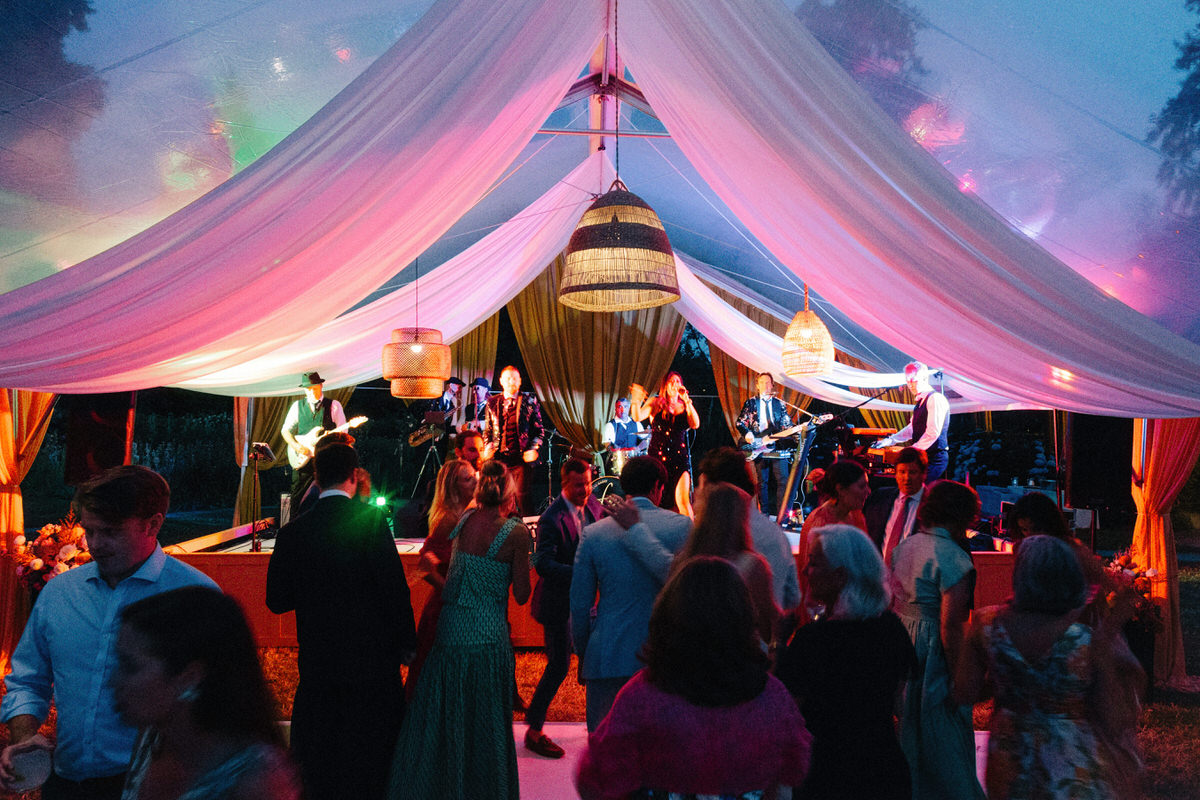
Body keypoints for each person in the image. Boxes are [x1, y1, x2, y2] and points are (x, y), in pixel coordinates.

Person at [0, 465, 218, 800]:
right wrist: (25, 738)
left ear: (154, 524)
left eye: (111, 531)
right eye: (90, 530)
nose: (96, 545)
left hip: (157, 788)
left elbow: (223, 706)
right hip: (65, 783)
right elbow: (28, 679)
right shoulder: (61, 593)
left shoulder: (195, 597)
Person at [575, 557, 811, 800]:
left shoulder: (641, 698)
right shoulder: (772, 699)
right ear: (744, 619)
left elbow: (593, 778)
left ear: (668, 616)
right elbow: (795, 769)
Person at [265, 442, 416, 800]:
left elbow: (275, 601)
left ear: (316, 477)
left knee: (321, 764)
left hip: (320, 667)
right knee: (371, 763)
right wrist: (407, 643)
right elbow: (395, 591)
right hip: (372, 667)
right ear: (354, 477)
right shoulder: (371, 523)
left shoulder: (292, 533)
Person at [955, 535, 1143, 800]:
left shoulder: (987, 625)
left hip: (1010, 759)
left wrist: (1008, 679)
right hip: (1070, 766)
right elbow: (1114, 718)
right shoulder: (1083, 640)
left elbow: (965, 693)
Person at [388, 460, 532, 800]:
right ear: (510, 493)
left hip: (452, 631)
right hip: (487, 634)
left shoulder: (464, 521)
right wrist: (526, 561)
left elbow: (452, 587)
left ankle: (437, 786)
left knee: (443, 714)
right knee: (485, 723)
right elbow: (523, 595)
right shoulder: (516, 533)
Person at [113, 586, 300, 800]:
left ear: (189, 677)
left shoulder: (257, 783)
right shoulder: (153, 738)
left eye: (130, 666)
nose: (113, 680)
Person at [775, 525, 915, 800]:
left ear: (840, 576)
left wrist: (779, 643)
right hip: (882, 767)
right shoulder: (890, 627)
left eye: (813, 564)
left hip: (829, 773)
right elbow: (898, 699)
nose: (805, 572)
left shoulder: (814, 640)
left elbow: (787, 710)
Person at [569, 456, 691, 731]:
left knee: (606, 753)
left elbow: (579, 605)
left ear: (624, 487)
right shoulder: (682, 527)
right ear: (659, 487)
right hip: (662, 656)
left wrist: (584, 651)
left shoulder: (594, 533)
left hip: (608, 654)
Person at [890, 480, 983, 800]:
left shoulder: (906, 546)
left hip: (902, 640)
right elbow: (951, 627)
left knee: (909, 731)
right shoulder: (955, 559)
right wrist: (960, 675)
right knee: (943, 736)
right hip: (932, 650)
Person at [525, 457, 606, 758]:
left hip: (587, 603)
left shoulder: (595, 505)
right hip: (558, 604)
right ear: (564, 485)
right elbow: (543, 564)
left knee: (590, 663)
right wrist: (582, 572)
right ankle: (534, 730)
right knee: (559, 666)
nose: (585, 490)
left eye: (587, 483)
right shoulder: (550, 518)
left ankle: (595, 727)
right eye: (578, 485)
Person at [674, 482, 780, 645]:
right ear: (741, 518)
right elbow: (768, 627)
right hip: (739, 656)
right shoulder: (752, 565)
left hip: (692, 658)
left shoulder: (682, 562)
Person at [407, 459, 477, 699]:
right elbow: (425, 566)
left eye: (474, 475)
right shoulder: (448, 520)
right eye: (468, 479)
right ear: (453, 486)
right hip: (445, 615)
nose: (476, 480)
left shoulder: (470, 514)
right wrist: (451, 592)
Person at [796, 460, 870, 602]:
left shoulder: (856, 516)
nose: (868, 491)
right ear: (841, 489)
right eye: (862, 486)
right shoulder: (820, 525)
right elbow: (812, 581)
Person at [630, 372, 700, 515]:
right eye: (671, 381)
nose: (675, 384)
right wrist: (635, 400)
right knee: (656, 501)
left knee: (683, 501)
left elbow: (695, 424)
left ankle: (691, 535)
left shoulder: (684, 406)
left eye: (678, 381)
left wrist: (687, 402)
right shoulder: (655, 403)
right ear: (665, 385)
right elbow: (637, 417)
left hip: (679, 459)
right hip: (657, 458)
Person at [482, 365, 544, 515]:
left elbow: (539, 430)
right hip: (499, 460)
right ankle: (501, 533)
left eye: (515, 378)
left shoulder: (529, 401)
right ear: (501, 381)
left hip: (520, 461)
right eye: (508, 378)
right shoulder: (492, 402)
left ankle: (528, 533)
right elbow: (488, 431)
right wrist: (487, 447)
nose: (511, 381)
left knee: (523, 498)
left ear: (520, 381)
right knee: (499, 499)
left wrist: (533, 448)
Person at [280, 371, 347, 508]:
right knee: (297, 499)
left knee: (326, 499)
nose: (311, 392)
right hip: (303, 460)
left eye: (314, 388)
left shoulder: (334, 406)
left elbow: (343, 431)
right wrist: (296, 446)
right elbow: (285, 430)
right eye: (308, 389)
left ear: (321, 386)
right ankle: (296, 528)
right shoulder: (297, 406)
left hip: (326, 460)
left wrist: (331, 438)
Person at [736, 372, 797, 515]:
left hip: (776, 446)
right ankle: (763, 515)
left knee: (783, 481)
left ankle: (782, 515)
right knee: (762, 483)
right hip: (759, 446)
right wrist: (748, 434)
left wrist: (797, 430)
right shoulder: (751, 402)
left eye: (768, 382)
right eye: (762, 382)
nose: (766, 385)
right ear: (757, 385)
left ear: (773, 385)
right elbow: (740, 422)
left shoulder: (780, 404)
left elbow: (786, 425)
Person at [876, 362, 949, 482]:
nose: (910, 385)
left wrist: (911, 450)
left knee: (919, 491)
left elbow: (933, 433)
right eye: (907, 381)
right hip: (922, 457)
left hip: (934, 458)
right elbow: (911, 429)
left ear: (925, 378)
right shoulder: (920, 402)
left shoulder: (935, 399)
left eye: (914, 380)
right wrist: (890, 440)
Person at [864, 446, 928, 560]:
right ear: (895, 473)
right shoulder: (879, 498)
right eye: (902, 472)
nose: (907, 478)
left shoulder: (933, 504)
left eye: (912, 472)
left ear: (924, 474)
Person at [600, 397, 645, 476]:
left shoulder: (636, 423)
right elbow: (607, 446)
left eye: (625, 406)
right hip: (618, 465)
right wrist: (618, 450)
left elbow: (645, 440)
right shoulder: (610, 425)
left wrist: (638, 449)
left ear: (629, 408)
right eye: (620, 407)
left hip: (634, 464)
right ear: (615, 409)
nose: (622, 410)